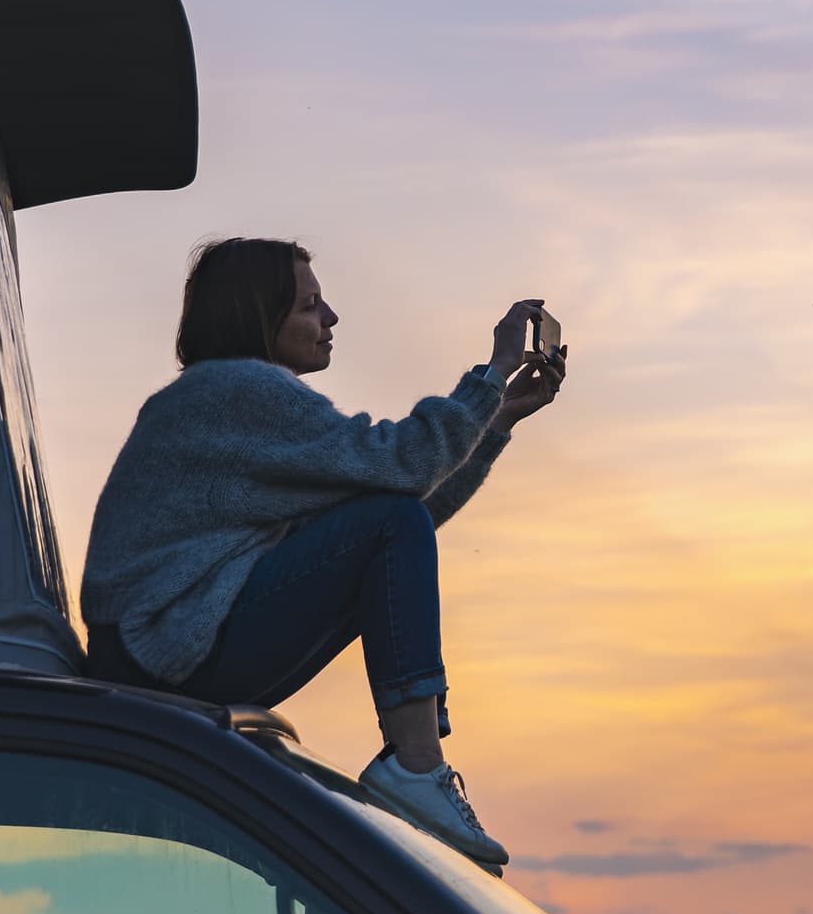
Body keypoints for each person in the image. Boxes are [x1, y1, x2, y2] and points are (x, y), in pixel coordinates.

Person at [81, 238, 567, 866]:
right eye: (311, 305)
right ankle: (417, 767)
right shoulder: (236, 389)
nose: (331, 318)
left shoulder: (234, 402)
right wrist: (491, 376)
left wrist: (494, 424)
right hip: (165, 651)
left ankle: (414, 772)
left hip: (167, 650)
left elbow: (402, 518)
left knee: (389, 522)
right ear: (261, 315)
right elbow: (402, 474)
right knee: (388, 520)